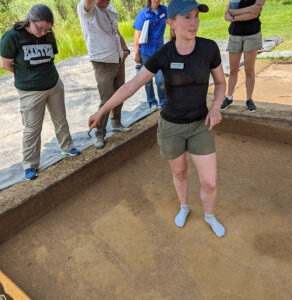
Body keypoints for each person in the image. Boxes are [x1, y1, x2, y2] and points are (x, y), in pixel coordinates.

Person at [89, 0, 227, 237]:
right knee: (180, 173)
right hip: (171, 127)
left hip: (200, 125)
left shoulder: (209, 48)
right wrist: (102, 111)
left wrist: (215, 108)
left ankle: (209, 214)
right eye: (187, 17)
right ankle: (184, 207)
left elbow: (221, 83)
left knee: (210, 182)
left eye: (196, 16)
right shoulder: (163, 54)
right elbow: (131, 86)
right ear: (171, 23)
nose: (194, 22)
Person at [0, 4, 80, 181]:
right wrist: (26, 76)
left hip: (54, 85)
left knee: (60, 119)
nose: (44, 32)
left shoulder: (48, 36)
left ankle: (67, 147)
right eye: (40, 28)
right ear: (30, 20)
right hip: (30, 92)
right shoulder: (12, 35)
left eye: (47, 29)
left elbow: (50, 59)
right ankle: (30, 165)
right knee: (32, 129)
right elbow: (5, 64)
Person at [77, 0, 132, 149]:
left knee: (120, 93)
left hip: (118, 58)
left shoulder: (110, 10)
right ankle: (100, 134)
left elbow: (116, 31)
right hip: (102, 63)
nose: (103, 1)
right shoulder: (88, 9)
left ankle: (116, 123)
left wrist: (125, 48)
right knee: (106, 99)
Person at [222, 0, 266, 112]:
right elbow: (228, 13)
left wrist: (234, 15)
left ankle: (248, 99)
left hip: (252, 34)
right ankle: (229, 97)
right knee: (233, 69)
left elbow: (255, 14)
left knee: (249, 70)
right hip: (235, 34)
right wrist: (250, 9)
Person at [133, 0, 167, 112]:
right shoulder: (143, 13)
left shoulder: (164, 10)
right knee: (147, 80)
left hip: (159, 52)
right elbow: (137, 35)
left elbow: (174, 22)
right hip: (145, 53)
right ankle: (152, 102)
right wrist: (137, 53)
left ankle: (163, 103)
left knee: (160, 80)